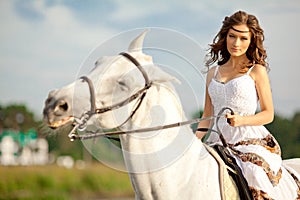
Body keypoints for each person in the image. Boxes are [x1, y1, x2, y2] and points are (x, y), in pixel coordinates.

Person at [196, 11, 300, 199]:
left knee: (254, 175)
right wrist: (194, 140)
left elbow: (268, 114)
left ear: (252, 41)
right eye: (232, 36)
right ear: (225, 36)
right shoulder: (212, 73)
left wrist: (241, 120)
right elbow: (207, 115)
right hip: (216, 140)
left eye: (243, 38)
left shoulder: (256, 70)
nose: (236, 43)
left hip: (248, 141)